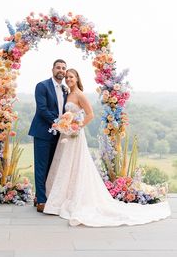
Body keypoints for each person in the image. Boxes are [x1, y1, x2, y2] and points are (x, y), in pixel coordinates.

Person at [43, 69, 171, 226]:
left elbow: (90, 115)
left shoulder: (79, 94)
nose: (68, 79)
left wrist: (78, 126)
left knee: (75, 163)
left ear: (77, 78)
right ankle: (59, 197)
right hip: (66, 134)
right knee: (65, 163)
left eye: (71, 76)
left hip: (75, 134)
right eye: (67, 77)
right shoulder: (67, 93)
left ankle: (75, 198)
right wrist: (65, 124)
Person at [28, 59, 68, 212]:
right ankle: (41, 202)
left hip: (58, 135)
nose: (61, 70)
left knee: (52, 167)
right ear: (52, 70)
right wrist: (58, 122)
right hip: (42, 132)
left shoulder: (65, 90)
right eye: (58, 67)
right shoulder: (42, 86)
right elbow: (42, 109)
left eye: (64, 68)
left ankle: (41, 196)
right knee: (41, 167)